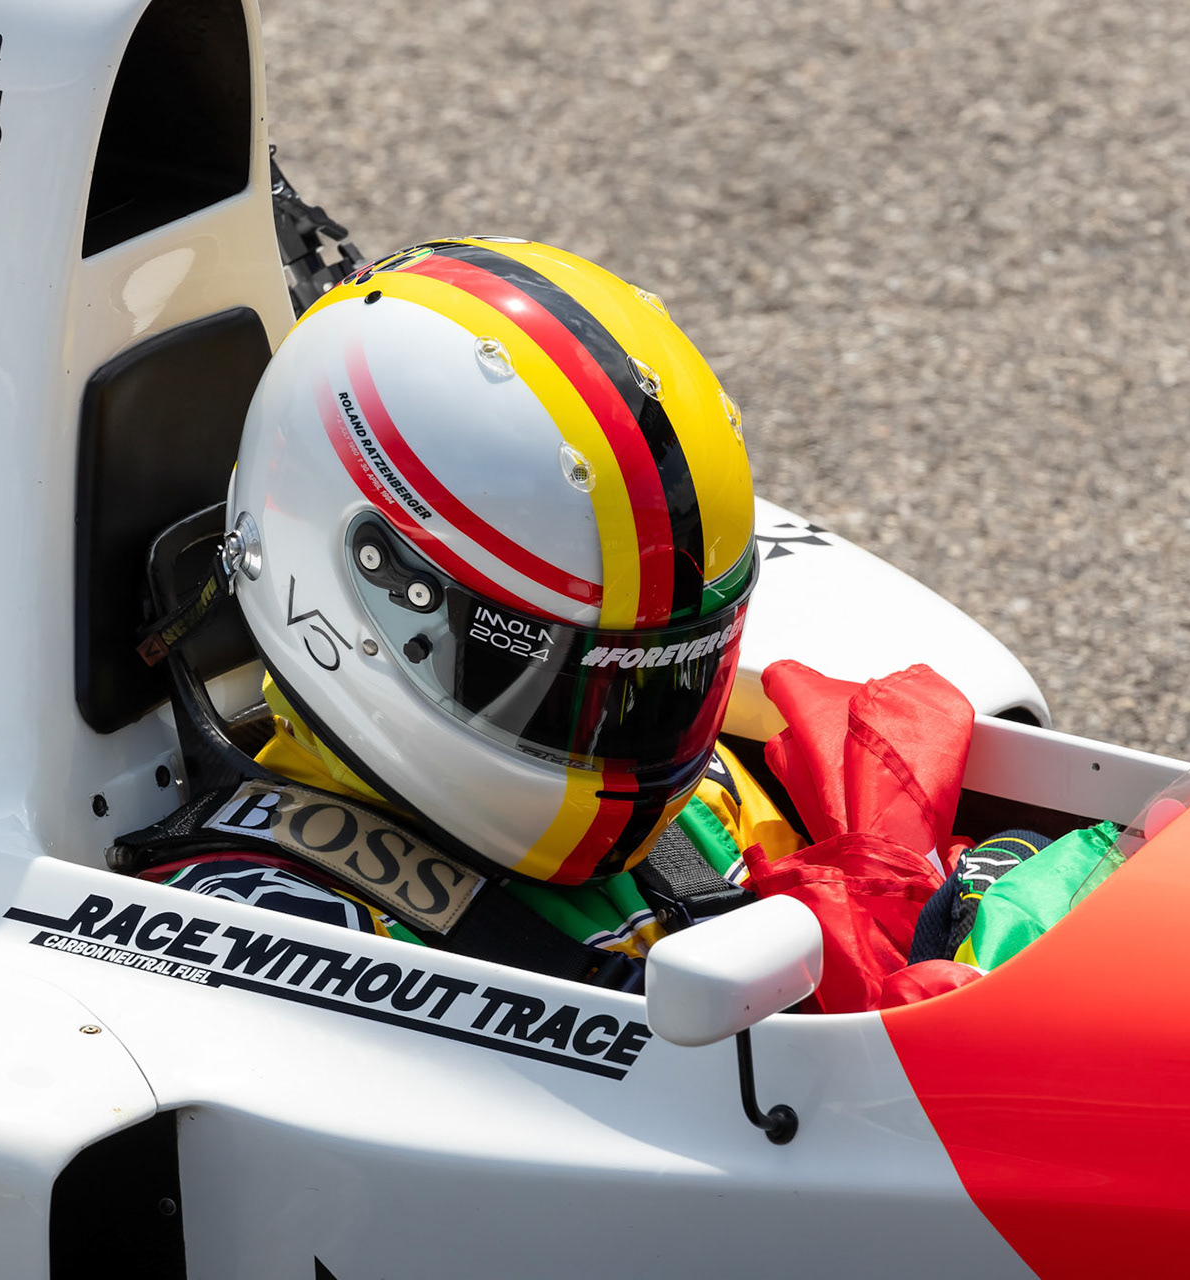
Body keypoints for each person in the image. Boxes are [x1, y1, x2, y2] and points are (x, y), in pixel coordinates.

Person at [123, 238, 801, 981]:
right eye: (549, 681)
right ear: (374, 594)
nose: (635, 731)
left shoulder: (709, 805)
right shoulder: (261, 931)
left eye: (660, 683)